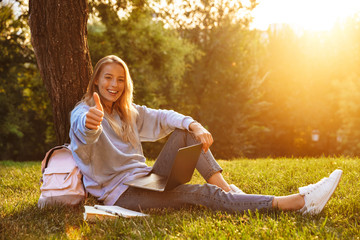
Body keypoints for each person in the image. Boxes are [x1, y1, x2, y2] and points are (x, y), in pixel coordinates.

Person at [69, 55, 342, 215]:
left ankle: (231, 192)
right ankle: (296, 203)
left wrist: (194, 125)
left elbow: (164, 117)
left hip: (145, 179)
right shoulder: (83, 112)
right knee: (199, 194)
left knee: (185, 133)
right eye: (107, 78)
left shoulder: (126, 112)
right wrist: (91, 125)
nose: (113, 85)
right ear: (96, 80)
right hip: (122, 194)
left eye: (119, 79)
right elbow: (83, 133)